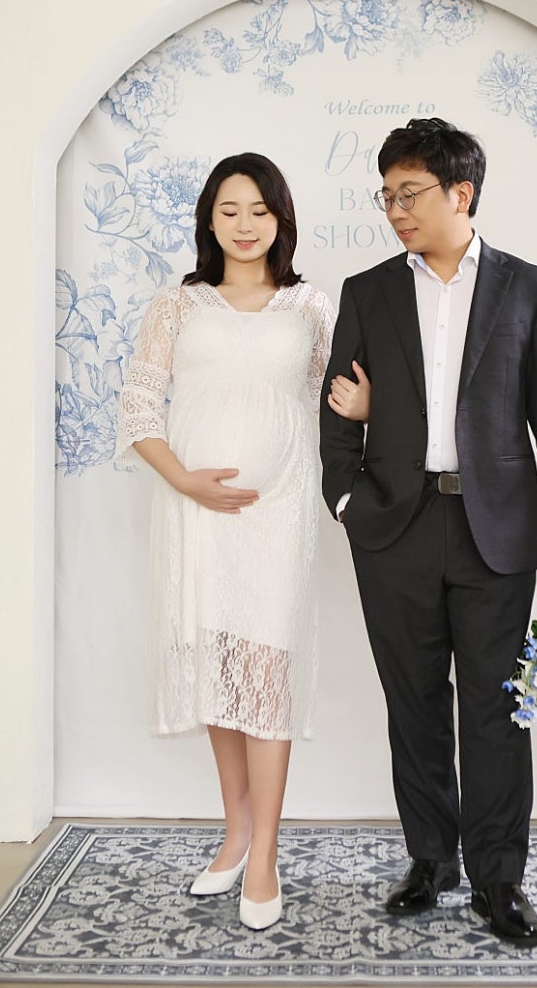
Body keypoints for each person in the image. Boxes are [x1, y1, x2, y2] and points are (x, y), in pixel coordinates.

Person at [319, 117, 537, 948]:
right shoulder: (367, 291)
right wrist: (346, 501)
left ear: (460, 193)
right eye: (385, 196)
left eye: (409, 194)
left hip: (496, 529)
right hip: (393, 528)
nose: (394, 210)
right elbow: (336, 413)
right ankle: (430, 861)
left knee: (494, 711)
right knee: (412, 704)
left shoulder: (525, 287)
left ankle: (498, 879)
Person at [116, 153, 363, 930]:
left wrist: (362, 411)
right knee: (219, 668)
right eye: (229, 210)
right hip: (195, 512)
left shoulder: (310, 306)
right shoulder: (177, 305)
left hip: (278, 511)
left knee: (265, 674)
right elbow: (137, 408)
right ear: (209, 220)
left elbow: (334, 400)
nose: (244, 225)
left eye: (259, 210)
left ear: (281, 219)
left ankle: (265, 858)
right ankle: (235, 832)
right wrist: (185, 481)